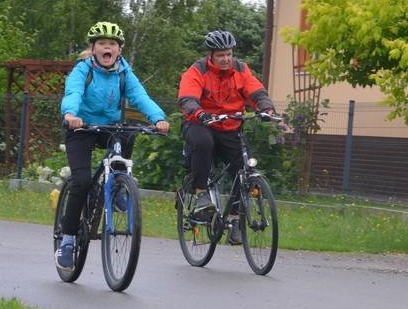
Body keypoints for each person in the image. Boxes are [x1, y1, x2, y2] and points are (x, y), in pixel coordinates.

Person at [56, 21, 169, 271]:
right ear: (93, 48)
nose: (107, 48)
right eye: (102, 43)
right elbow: (73, 93)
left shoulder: (124, 73)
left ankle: (118, 184)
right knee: (82, 182)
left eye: (112, 44)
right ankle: (67, 239)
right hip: (81, 127)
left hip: (109, 127)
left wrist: (158, 118)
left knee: (128, 134)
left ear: (119, 50)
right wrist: (71, 115)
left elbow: (140, 96)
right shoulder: (82, 70)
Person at [177, 30, 276, 245]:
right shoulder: (197, 70)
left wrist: (266, 108)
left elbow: (256, 91)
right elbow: (187, 98)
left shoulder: (240, 69)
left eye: (229, 54)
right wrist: (200, 113)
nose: (226, 59)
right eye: (221, 55)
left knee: (244, 170)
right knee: (204, 142)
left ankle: (234, 220)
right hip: (200, 122)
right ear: (210, 55)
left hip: (230, 126)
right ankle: (201, 194)